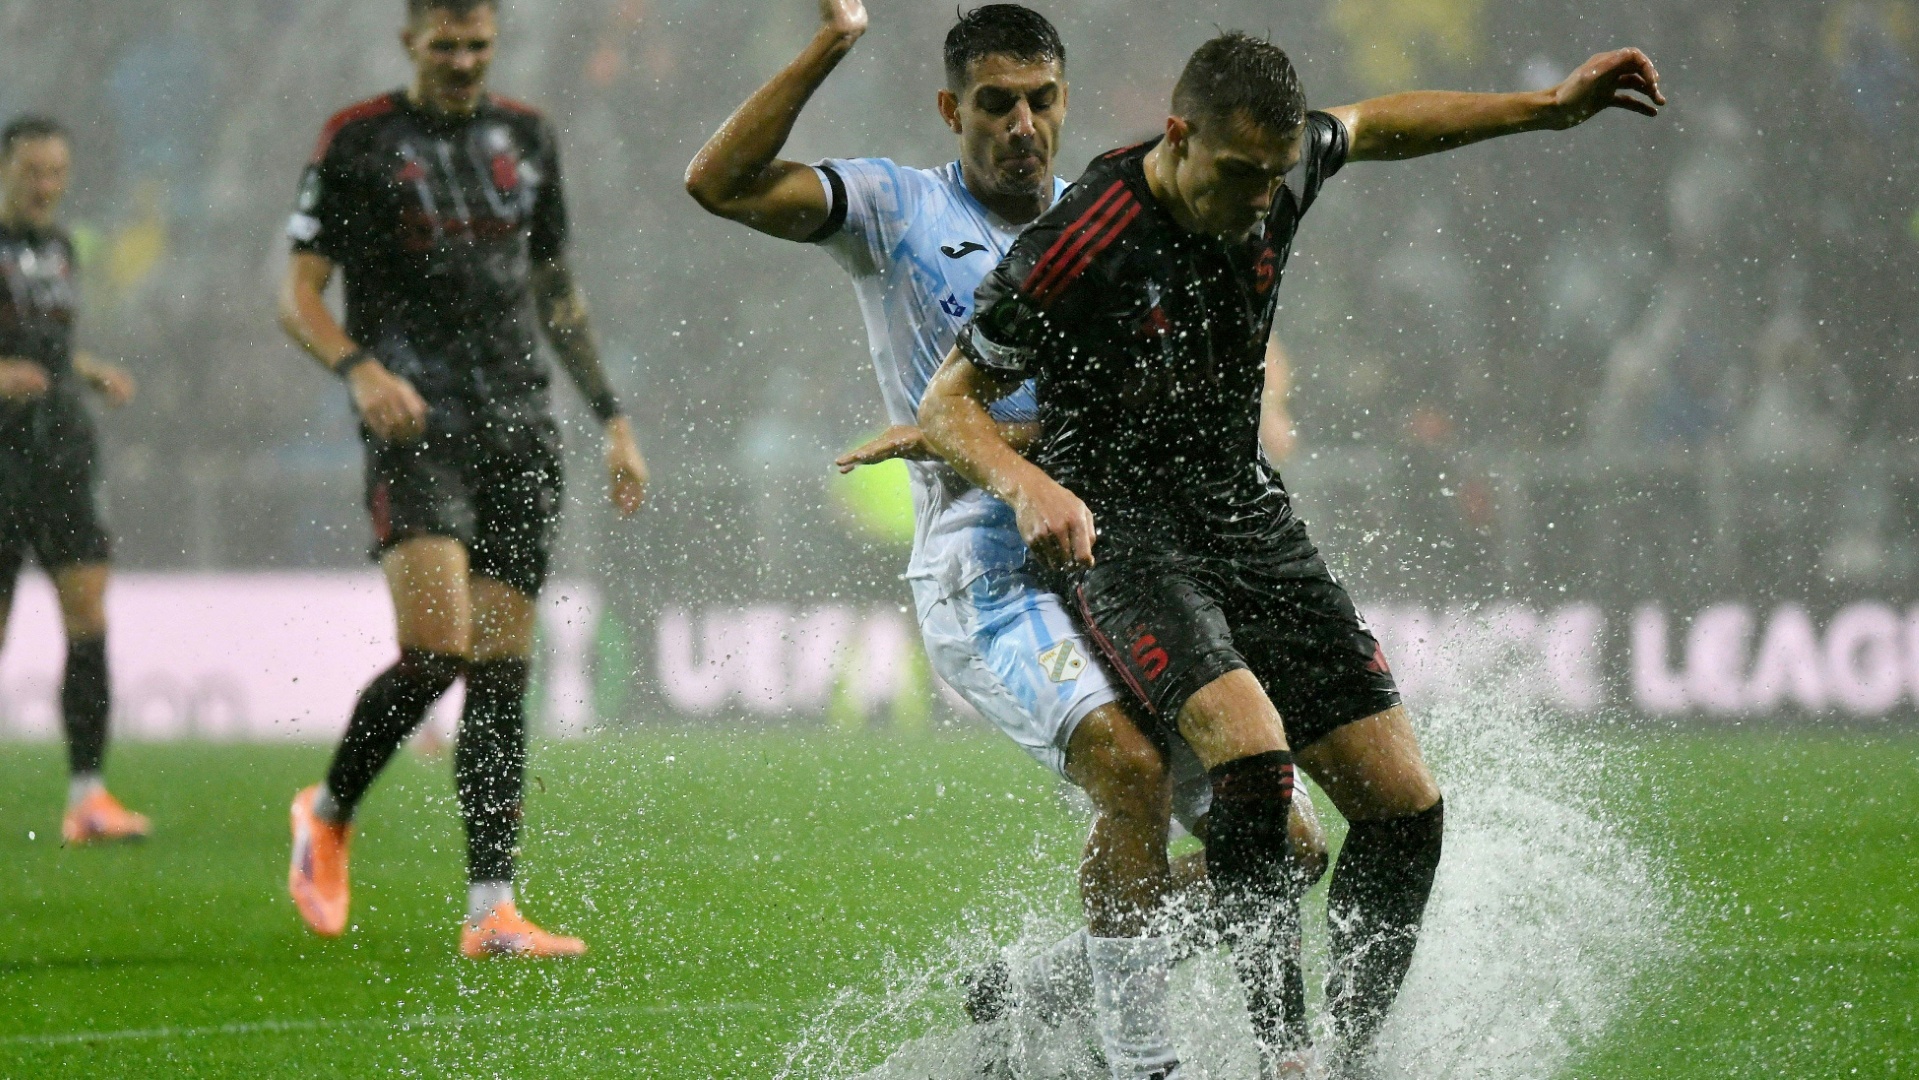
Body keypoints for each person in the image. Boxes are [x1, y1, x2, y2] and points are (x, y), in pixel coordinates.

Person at [921, 32, 1663, 1076]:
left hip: (1243, 515)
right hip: (1125, 531)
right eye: (1236, 177)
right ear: (1179, 136)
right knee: (1257, 773)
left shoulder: (1274, 170)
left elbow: (1371, 124)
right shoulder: (1077, 241)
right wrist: (1030, 485)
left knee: (1404, 811)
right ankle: (1284, 1060)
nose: (1258, 202)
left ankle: (1342, 1057)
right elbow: (946, 407)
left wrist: (1541, 107)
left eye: (1272, 180)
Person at [687, 5, 1326, 1074]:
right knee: (1127, 773)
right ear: (953, 109)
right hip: (986, 566)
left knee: (1287, 850)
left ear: (1064, 103)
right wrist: (828, 47)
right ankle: (1140, 1058)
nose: (1020, 124)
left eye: (1040, 100)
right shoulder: (895, 207)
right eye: (995, 103)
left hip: (1127, 555)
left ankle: (1048, 990)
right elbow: (719, 182)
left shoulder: (1114, 217)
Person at [277, 0, 648, 959]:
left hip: (520, 424)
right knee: (436, 648)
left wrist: (610, 416)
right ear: (410, 41)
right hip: (418, 421)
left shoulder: (525, 137)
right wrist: (360, 371)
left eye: (478, 44)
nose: (462, 59)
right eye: (445, 44)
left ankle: (491, 912)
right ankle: (325, 813)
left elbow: (555, 290)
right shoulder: (359, 140)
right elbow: (299, 294)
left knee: (500, 669)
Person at [0, 115, 145, 846]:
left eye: (56, 173)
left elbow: (50, 346)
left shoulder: (57, 248)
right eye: (32, 172)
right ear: (4, 168)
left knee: (88, 620)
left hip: (60, 452)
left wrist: (89, 371)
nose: (45, 186)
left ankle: (88, 798)